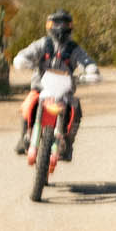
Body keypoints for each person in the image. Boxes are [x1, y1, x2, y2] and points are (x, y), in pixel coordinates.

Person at [12, 9, 96, 160]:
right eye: (56, 23)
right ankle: (24, 136)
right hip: (40, 88)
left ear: (70, 26)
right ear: (49, 25)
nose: (60, 27)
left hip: (64, 92)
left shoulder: (74, 49)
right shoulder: (43, 44)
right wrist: (22, 60)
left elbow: (85, 61)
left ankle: (68, 142)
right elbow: (25, 54)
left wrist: (91, 70)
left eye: (64, 23)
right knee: (27, 104)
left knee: (76, 108)